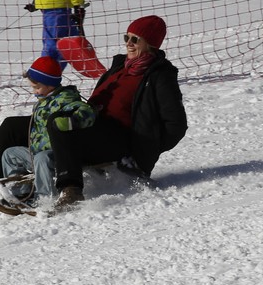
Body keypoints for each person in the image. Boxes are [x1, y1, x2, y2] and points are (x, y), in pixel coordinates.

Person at [45, 14, 187, 210]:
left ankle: (71, 190)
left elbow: (176, 125)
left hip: (118, 140)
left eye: (135, 39)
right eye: (127, 37)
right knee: (16, 125)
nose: (129, 43)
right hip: (93, 125)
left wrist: (143, 151)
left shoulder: (159, 76)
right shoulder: (119, 66)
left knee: (59, 122)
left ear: (151, 44)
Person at [0, 56, 97, 222]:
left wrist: (71, 120)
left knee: (41, 158)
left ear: (50, 85)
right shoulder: (44, 100)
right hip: (38, 152)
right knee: (10, 154)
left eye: (37, 87)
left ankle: (44, 199)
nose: (34, 91)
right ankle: (21, 193)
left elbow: (86, 111)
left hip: (55, 155)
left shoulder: (65, 99)